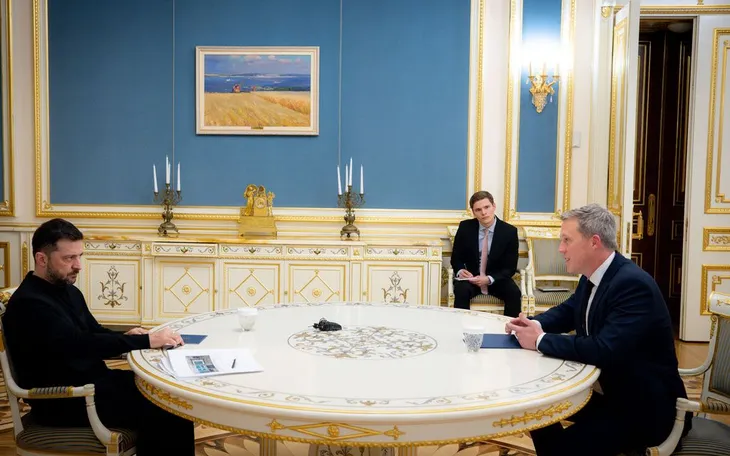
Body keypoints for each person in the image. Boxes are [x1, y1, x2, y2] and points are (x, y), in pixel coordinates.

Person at [505, 204, 689, 456]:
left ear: (594, 242)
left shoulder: (633, 285)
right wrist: (534, 324)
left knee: (555, 443)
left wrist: (539, 341)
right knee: (536, 406)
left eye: (567, 240)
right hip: (614, 395)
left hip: (644, 410)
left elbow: (604, 349)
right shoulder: (595, 274)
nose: (560, 249)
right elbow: (570, 310)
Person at [1, 218, 195, 455]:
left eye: (79, 256)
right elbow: (81, 344)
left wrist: (128, 335)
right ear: (42, 259)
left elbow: (92, 331)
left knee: (170, 395)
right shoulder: (30, 303)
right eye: (69, 258)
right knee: (169, 409)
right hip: (64, 400)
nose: (78, 265)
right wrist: (146, 341)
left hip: (92, 384)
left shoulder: (68, 290)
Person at [450, 191, 521, 317]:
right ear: (473, 212)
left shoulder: (509, 232)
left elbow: (510, 268)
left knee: (514, 293)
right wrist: (460, 271)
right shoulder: (465, 227)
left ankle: (510, 328)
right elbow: (456, 258)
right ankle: (461, 326)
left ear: (494, 206)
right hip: (471, 278)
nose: (483, 213)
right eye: (478, 210)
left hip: (496, 279)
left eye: (487, 207)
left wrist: (488, 279)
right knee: (461, 290)